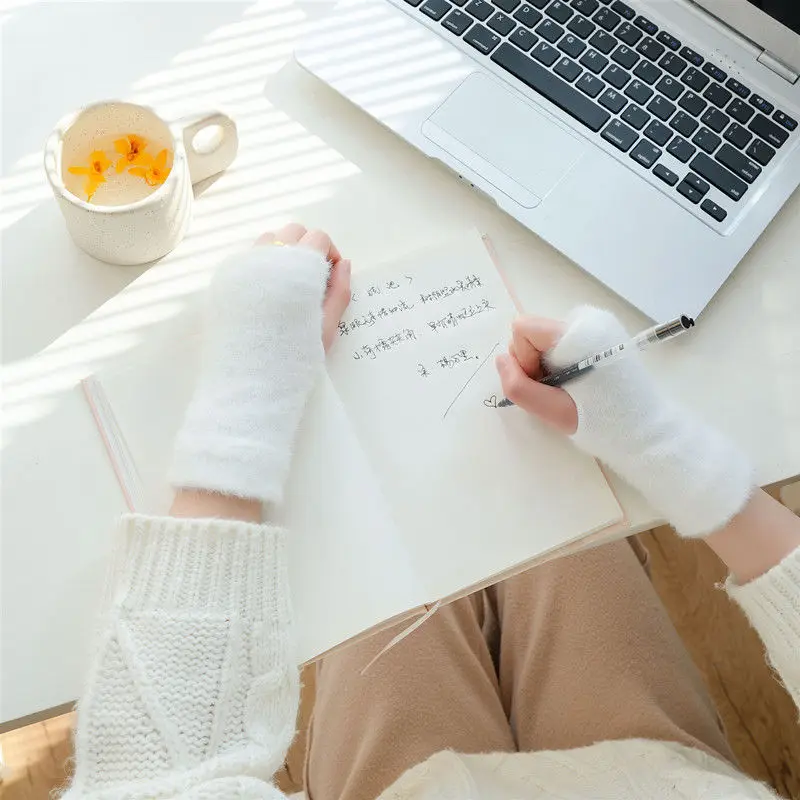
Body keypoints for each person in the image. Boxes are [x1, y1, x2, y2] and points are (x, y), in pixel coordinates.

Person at [61, 223, 799, 800]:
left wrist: (245, 398)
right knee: (558, 502)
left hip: (406, 786)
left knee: (378, 578)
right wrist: (674, 456)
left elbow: (148, 775)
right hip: (662, 776)